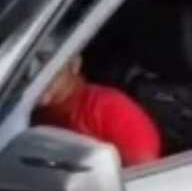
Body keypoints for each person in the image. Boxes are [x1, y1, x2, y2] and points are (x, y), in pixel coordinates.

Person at [34, 53, 163, 168]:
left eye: (44, 60)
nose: (33, 73)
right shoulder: (29, 113)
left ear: (74, 64)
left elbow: (146, 175)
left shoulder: (109, 107)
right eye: (28, 64)